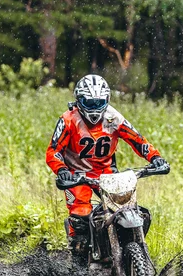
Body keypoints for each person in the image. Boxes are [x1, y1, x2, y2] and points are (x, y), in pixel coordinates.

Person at [45, 74, 168, 254]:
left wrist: (155, 158)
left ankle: (130, 250)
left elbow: (138, 140)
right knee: (81, 216)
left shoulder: (114, 117)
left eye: (99, 102)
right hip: (77, 175)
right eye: (89, 102)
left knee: (130, 210)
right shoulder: (68, 119)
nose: (94, 108)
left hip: (107, 172)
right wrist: (62, 170)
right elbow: (53, 151)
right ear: (78, 100)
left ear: (107, 100)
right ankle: (77, 258)